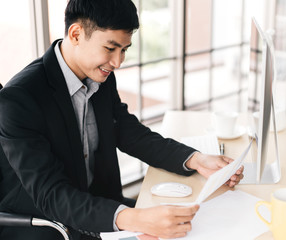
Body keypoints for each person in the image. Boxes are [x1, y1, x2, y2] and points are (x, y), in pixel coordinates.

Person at [0, 0, 244, 239]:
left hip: (101, 206)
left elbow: (128, 133)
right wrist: (135, 219)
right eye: (110, 48)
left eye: (124, 50)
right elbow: (51, 195)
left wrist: (196, 159)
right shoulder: (19, 100)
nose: (117, 62)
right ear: (76, 34)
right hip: (50, 224)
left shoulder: (99, 73)